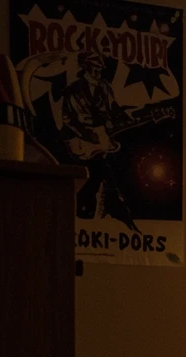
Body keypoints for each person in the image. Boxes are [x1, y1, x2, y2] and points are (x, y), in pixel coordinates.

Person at [60, 48, 138, 231]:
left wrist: (127, 119)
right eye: (93, 67)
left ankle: (97, 215)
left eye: (99, 68)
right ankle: (96, 214)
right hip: (81, 141)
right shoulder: (73, 90)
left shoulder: (105, 87)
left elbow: (114, 109)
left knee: (100, 177)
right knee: (95, 177)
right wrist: (85, 134)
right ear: (85, 67)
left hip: (102, 140)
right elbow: (67, 119)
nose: (97, 72)